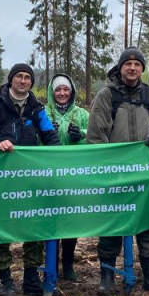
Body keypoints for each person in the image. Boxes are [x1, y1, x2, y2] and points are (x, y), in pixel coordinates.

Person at [87, 48, 149, 296]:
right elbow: (96, 136)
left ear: (142, 69)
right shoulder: (107, 95)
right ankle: (107, 276)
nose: (133, 68)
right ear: (121, 67)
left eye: (138, 64)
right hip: (115, 174)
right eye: (128, 63)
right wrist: (106, 169)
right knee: (113, 223)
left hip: (147, 173)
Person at [0, 63, 60, 296]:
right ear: (11, 80)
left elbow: (50, 136)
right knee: (1, 227)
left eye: (27, 78)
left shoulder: (36, 108)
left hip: (31, 179)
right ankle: (6, 279)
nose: (23, 81)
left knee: (34, 225)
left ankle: (31, 278)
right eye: (19, 77)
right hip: (1, 180)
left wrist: (58, 155)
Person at [44, 72, 89, 281]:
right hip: (47, 175)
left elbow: (93, 135)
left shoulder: (81, 113)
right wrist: (43, 134)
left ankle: (68, 264)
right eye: (58, 90)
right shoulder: (43, 112)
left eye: (66, 89)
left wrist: (80, 135)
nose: (62, 93)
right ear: (52, 93)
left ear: (71, 92)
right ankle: (50, 264)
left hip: (73, 175)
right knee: (50, 219)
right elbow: (32, 140)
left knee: (70, 219)